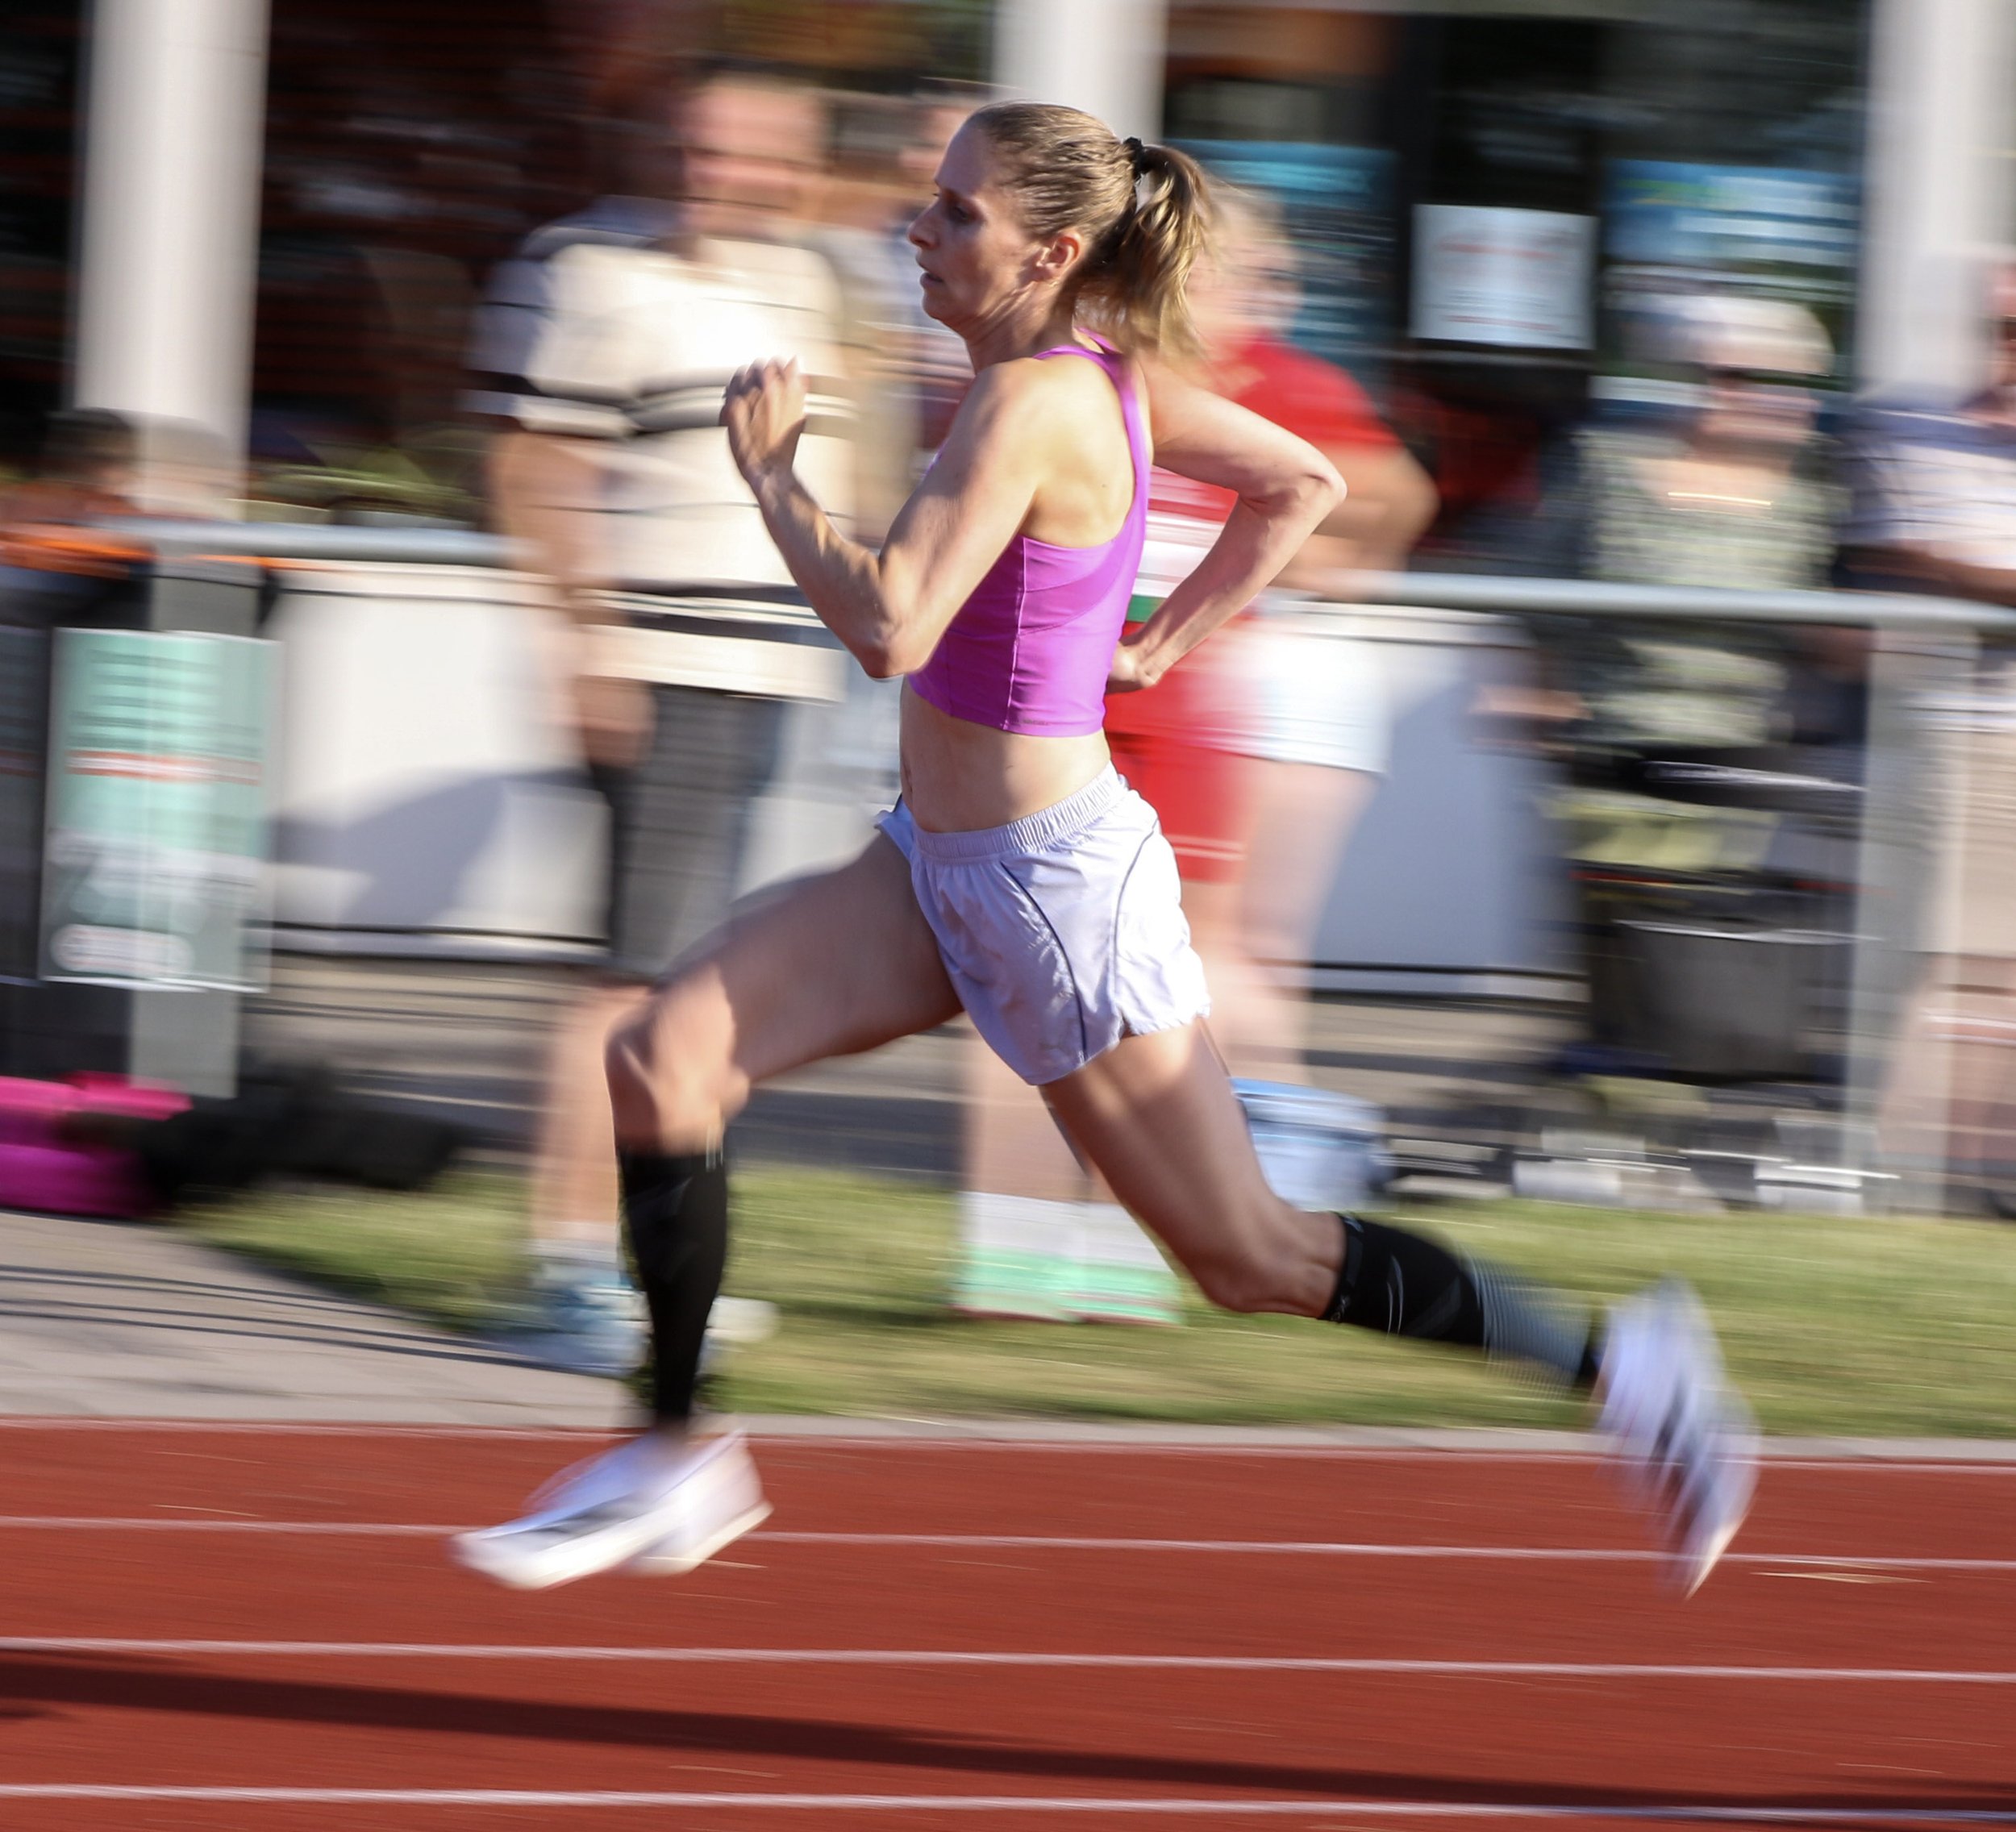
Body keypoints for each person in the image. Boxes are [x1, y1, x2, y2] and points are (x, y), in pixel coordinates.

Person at [453, 102, 1756, 1597]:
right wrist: (1163, 640)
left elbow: (889, 625)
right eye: (928, 202)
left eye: (957, 214)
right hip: (931, 868)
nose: (919, 229)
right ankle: (677, 1458)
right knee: (662, 1056)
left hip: (1055, 891)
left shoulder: (1037, 406)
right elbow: (1298, 487)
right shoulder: (1076, 379)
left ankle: (1624, 1363)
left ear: (1052, 251)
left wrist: (773, 480)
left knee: (1251, 1258)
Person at [469, 66, 853, 1372]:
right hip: (665, 670)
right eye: (694, 147)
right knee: (635, 980)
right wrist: (582, 648)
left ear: (797, 165)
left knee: (685, 981)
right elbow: (533, 466)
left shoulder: (808, 278)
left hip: (766, 674)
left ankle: (643, 1260)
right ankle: (568, 1272)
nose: (712, 170)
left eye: (745, 151)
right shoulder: (595, 273)